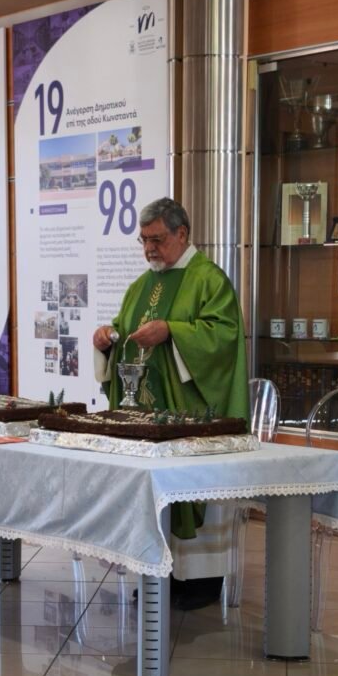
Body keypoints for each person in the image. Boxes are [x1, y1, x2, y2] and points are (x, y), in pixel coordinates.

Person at [93, 197, 249, 608]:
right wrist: (107, 339)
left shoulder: (209, 280)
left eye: (157, 239)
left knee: (192, 487)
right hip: (148, 416)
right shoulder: (140, 287)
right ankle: (157, 573)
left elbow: (223, 337)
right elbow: (125, 332)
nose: (149, 249)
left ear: (182, 234)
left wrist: (173, 332)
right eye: (144, 240)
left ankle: (199, 582)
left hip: (192, 414)